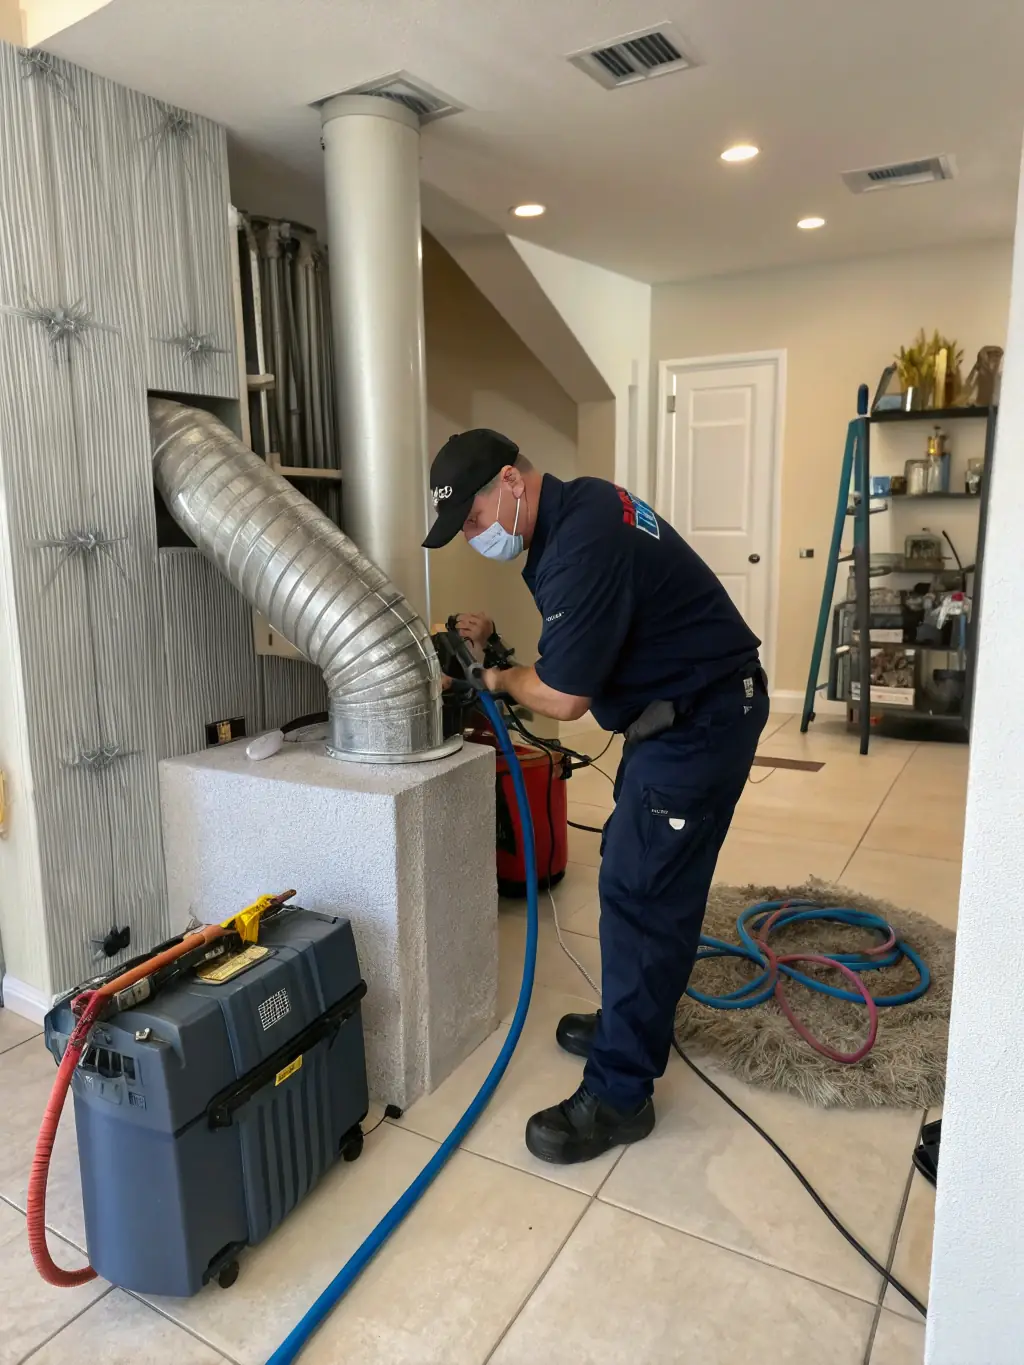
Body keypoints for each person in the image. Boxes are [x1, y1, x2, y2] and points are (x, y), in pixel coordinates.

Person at [423, 429, 769, 1165]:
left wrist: (492, 679)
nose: (473, 537)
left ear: (510, 482)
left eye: (475, 519)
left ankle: (618, 1094)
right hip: (686, 711)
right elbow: (588, 646)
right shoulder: (576, 515)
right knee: (639, 872)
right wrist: (509, 658)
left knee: (642, 892)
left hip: (701, 719)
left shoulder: (580, 542)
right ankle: (630, 1022)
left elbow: (568, 696)